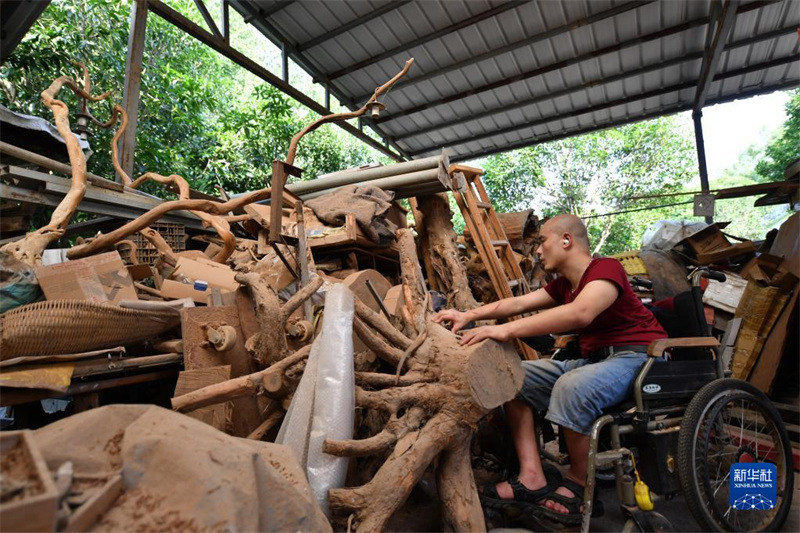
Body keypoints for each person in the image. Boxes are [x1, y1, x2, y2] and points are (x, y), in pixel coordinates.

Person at [433, 214, 666, 525]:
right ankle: (532, 476)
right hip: (596, 359)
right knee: (515, 378)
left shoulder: (606, 268)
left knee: (572, 385)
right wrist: (468, 314)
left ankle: (579, 482)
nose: (538, 250)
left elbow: (581, 314)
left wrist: (506, 332)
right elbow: (516, 304)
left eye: (542, 241)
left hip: (637, 358)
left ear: (566, 240)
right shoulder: (564, 285)